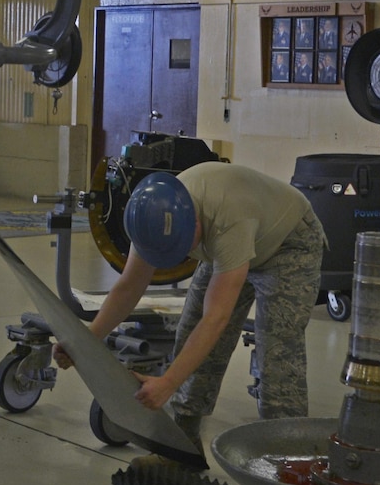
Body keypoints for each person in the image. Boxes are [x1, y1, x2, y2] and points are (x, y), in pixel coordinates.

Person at [73, 161, 326, 445]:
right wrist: (85, 341)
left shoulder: (228, 219)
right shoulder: (151, 214)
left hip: (288, 242)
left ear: (193, 222)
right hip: (226, 240)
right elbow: (128, 288)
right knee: (190, 328)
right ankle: (183, 444)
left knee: (277, 349)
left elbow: (216, 317)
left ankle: (286, 454)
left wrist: (167, 383)